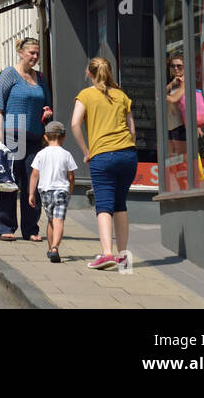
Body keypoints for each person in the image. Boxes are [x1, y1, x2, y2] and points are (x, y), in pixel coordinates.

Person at [70, 57, 137, 269]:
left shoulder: (86, 95)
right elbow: (132, 130)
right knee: (120, 204)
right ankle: (124, 259)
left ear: (89, 73)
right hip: (127, 154)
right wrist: (126, 147)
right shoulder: (121, 95)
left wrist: (86, 151)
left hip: (102, 156)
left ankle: (107, 254)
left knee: (104, 206)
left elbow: (74, 124)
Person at [0, 37, 53, 242]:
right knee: (9, 183)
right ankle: (5, 226)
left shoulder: (40, 77)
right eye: (31, 53)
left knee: (32, 184)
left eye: (37, 53)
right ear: (21, 52)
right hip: (11, 136)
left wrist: (47, 112)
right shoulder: (9, 74)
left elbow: (47, 104)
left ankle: (30, 228)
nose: (34, 56)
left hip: (34, 137)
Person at [28, 121, 78, 263]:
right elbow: (71, 177)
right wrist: (70, 190)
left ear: (45, 137)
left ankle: (50, 249)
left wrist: (31, 193)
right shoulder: (66, 154)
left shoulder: (41, 154)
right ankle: (55, 247)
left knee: (51, 220)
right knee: (59, 220)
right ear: (64, 137)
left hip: (45, 192)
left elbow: (34, 174)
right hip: (61, 191)